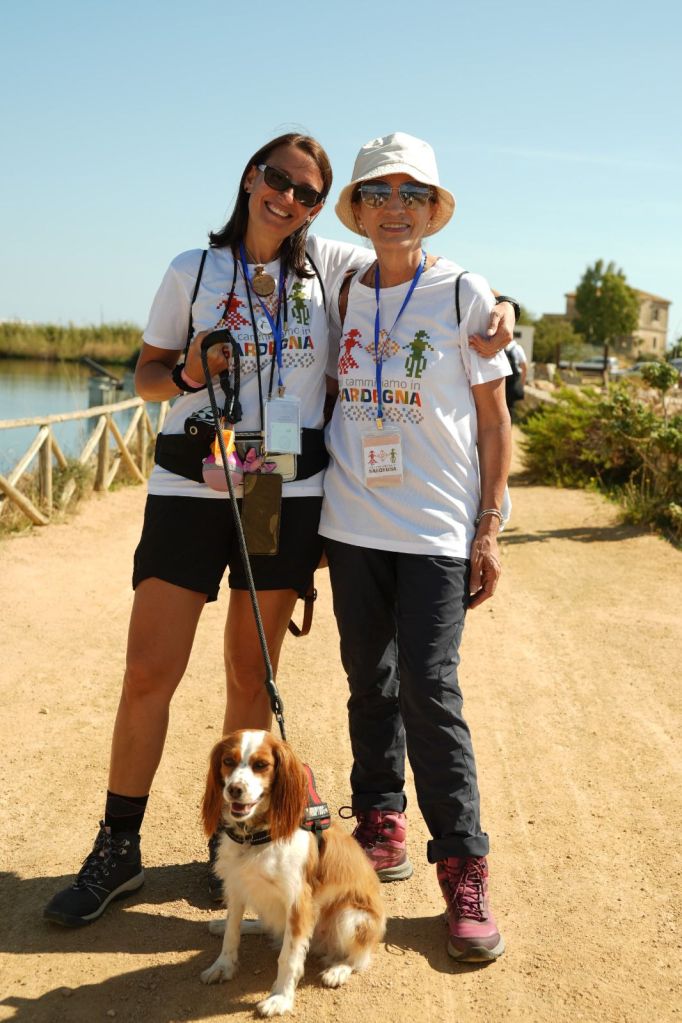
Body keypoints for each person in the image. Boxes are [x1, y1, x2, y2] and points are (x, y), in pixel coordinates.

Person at [44, 132, 517, 928]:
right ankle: (117, 845)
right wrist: (189, 371)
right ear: (249, 177)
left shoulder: (330, 267)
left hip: (278, 487)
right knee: (148, 671)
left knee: (247, 674)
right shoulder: (191, 270)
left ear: (320, 208)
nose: (288, 198)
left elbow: (414, 264)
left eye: (307, 192)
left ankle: (232, 840)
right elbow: (148, 375)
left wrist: (504, 309)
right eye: (278, 179)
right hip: (191, 483)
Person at [319, 133, 512, 963]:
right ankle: (380, 815)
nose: (393, 206)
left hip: (435, 525)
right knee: (370, 677)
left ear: (433, 210)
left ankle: (463, 866)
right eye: (377, 192)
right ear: (357, 211)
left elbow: (496, 421)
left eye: (410, 193)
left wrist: (489, 525)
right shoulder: (345, 287)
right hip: (352, 518)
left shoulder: (466, 292)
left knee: (430, 686)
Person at [504, 336, 528, 418]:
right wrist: (522, 384)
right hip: (513, 383)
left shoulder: (499, 347)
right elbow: (524, 367)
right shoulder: (517, 348)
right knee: (510, 407)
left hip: (501, 382)